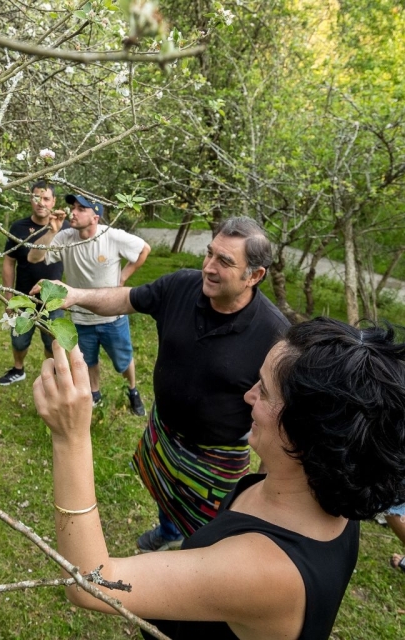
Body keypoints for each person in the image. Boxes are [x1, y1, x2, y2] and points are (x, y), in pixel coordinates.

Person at [34, 318, 405, 640]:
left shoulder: (265, 573)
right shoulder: (328, 486)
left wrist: (71, 438)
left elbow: (93, 582)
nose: (249, 395)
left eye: (264, 390)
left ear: (303, 433)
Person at [40, 216, 289, 551]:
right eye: (209, 253)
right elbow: (126, 299)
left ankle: (194, 556)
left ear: (255, 276)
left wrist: (265, 484)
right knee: (164, 492)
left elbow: (279, 417)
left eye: (225, 261)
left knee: (210, 529)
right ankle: (169, 532)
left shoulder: (275, 335)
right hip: (164, 430)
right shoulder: (182, 286)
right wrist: (75, 294)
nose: (208, 268)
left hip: (217, 455)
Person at [27, 193, 151, 416]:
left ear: (95, 217)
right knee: (88, 361)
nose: (73, 212)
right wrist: (52, 231)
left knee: (123, 361)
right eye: (73, 207)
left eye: (81, 209)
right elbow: (33, 258)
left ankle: (132, 390)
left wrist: (123, 278)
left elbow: (144, 249)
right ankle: (95, 393)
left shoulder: (111, 236)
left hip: (113, 318)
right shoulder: (64, 237)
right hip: (81, 318)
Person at [0, 181, 70, 386]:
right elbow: (9, 262)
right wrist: (8, 297)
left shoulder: (65, 228)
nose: (41, 203)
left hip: (53, 299)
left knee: (52, 341)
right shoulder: (18, 228)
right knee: (19, 340)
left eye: (46, 198)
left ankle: (51, 375)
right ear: (31, 199)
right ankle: (18, 369)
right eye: (37, 198)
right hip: (24, 296)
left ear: (54, 201)